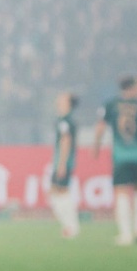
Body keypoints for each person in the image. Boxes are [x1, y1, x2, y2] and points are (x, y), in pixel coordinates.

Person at [95, 75, 137, 245]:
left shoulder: (111, 105)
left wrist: (96, 146)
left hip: (120, 156)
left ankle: (125, 234)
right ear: (132, 87)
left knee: (120, 191)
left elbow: (100, 127)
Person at [48, 91, 81, 239]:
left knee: (61, 192)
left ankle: (71, 226)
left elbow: (65, 142)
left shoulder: (65, 121)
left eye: (62, 98)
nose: (58, 99)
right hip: (61, 162)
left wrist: (61, 164)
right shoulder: (64, 120)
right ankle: (69, 226)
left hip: (63, 162)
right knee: (55, 192)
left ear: (68, 103)